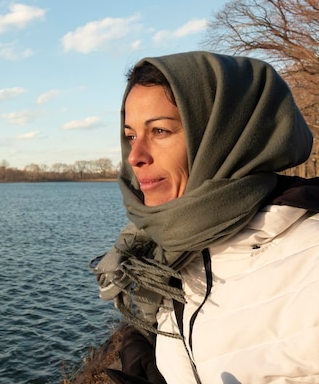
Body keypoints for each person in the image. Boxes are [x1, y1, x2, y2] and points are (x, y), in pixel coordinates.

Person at [90, 51, 319, 384]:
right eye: (130, 136)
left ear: (224, 137)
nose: (135, 156)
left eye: (159, 131)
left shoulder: (310, 260)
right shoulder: (169, 257)